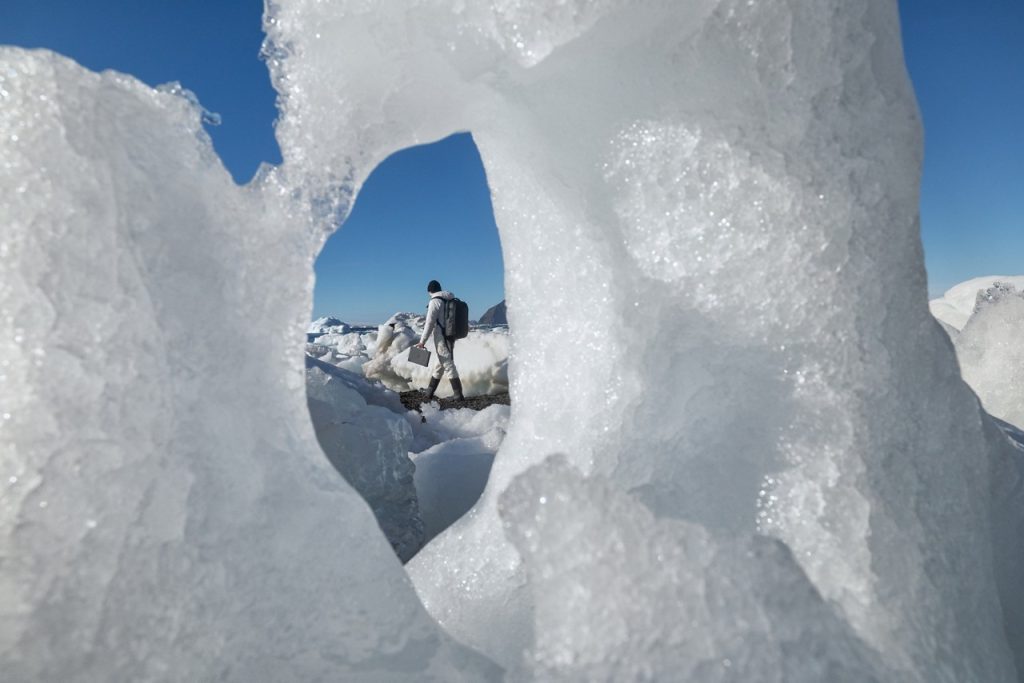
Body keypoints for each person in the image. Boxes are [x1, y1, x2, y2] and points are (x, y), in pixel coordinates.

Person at [415, 280, 464, 401]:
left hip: (441, 336)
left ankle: (458, 394)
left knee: (447, 364)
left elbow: (429, 323)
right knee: (440, 363)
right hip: (451, 335)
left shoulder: (435, 301)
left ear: (429, 291)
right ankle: (429, 391)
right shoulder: (449, 299)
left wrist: (422, 341)